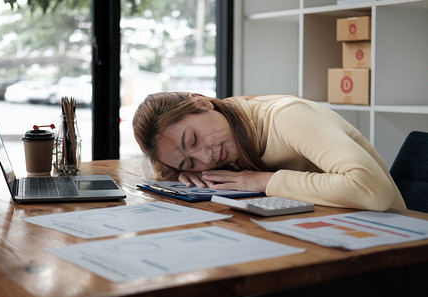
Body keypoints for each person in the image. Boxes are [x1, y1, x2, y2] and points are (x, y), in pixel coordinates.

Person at [133, 92, 406, 211]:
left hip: (391, 256)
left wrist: (264, 180)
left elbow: (373, 191)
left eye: (192, 139)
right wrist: (183, 174)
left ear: (203, 103)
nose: (205, 158)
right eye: (189, 161)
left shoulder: (287, 116)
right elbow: (166, 165)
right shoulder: (228, 132)